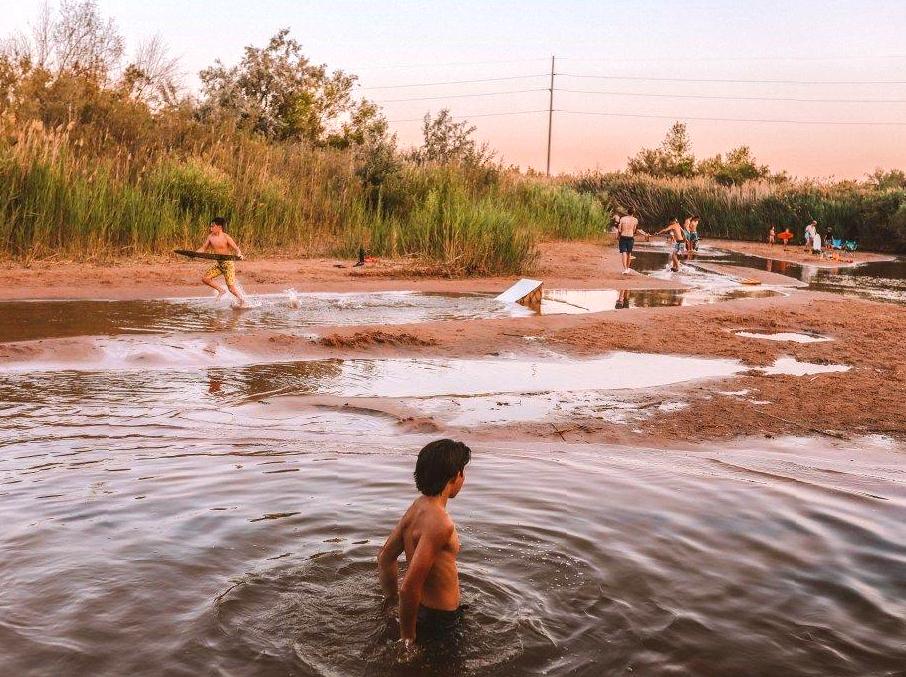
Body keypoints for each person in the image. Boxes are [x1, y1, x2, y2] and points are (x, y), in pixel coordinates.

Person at [378, 439, 471, 648]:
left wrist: (391, 602)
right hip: (440, 622)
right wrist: (408, 640)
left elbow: (385, 557)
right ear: (456, 474)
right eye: (463, 471)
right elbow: (409, 588)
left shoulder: (418, 506)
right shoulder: (440, 521)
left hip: (422, 612)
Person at [198, 216, 246, 305]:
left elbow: (237, 249)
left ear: (219, 227)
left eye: (213, 226)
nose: (211, 228)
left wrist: (239, 254)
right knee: (205, 279)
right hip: (219, 264)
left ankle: (243, 302)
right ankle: (221, 290)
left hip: (228, 264)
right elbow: (203, 248)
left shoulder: (226, 237)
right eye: (211, 226)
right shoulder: (210, 237)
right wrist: (195, 253)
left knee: (231, 289)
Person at [615, 207, 649, 274]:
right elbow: (634, 230)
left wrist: (618, 236)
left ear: (627, 212)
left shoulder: (622, 219)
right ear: (633, 212)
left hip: (623, 236)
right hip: (630, 237)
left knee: (624, 252)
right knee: (629, 253)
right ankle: (627, 268)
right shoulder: (635, 220)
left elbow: (619, 229)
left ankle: (625, 269)